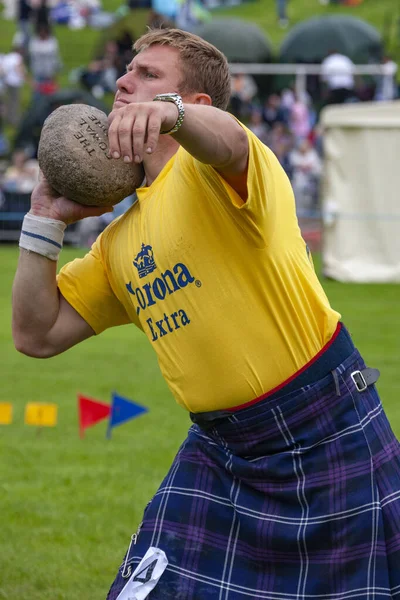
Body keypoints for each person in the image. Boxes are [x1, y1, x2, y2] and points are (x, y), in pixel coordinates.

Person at [12, 28, 400, 599]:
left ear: (193, 104)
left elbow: (229, 141)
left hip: (325, 430)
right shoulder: (117, 244)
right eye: (128, 71)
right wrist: (45, 215)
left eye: (150, 75)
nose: (124, 81)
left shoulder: (223, 173)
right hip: (223, 451)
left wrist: (169, 115)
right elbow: (35, 333)